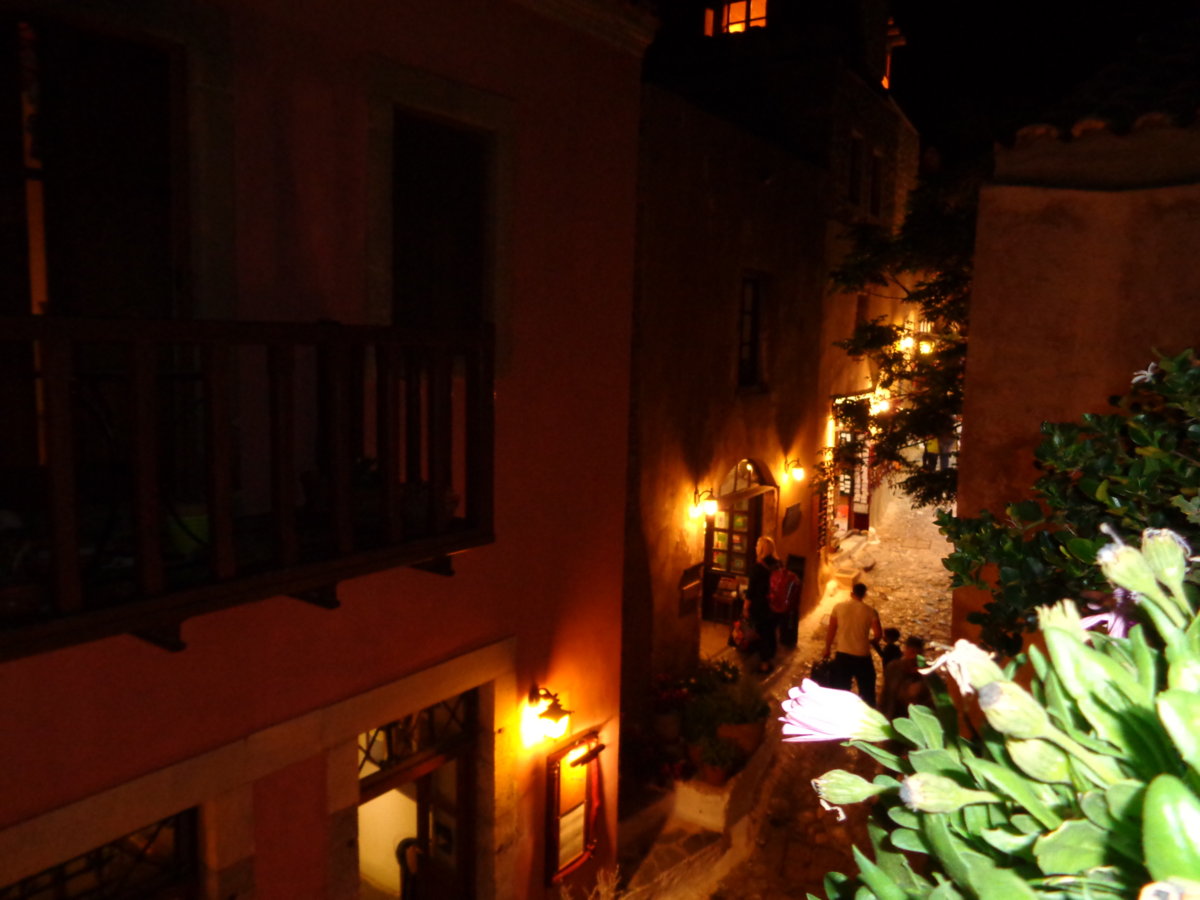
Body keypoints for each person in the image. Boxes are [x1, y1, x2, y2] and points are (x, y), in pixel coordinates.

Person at [822, 582, 882, 706]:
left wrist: (827, 648)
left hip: (843, 654)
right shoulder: (871, 611)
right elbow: (878, 635)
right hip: (862, 655)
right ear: (864, 595)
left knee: (841, 690)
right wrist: (872, 641)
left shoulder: (838, 607)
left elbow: (831, 630)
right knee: (867, 691)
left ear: (851, 593)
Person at [747, 535, 781, 672]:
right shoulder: (779, 564)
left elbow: (751, 590)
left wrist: (746, 607)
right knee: (771, 631)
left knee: (762, 633)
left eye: (757, 546)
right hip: (776, 605)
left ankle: (764, 663)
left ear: (761, 549)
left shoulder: (757, 568)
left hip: (761, 606)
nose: (755, 548)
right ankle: (770, 657)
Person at [880, 636, 933, 719]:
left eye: (918, 653)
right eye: (912, 652)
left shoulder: (926, 672)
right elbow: (887, 694)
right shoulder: (894, 667)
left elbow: (929, 700)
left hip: (916, 717)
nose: (914, 656)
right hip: (895, 714)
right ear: (905, 650)